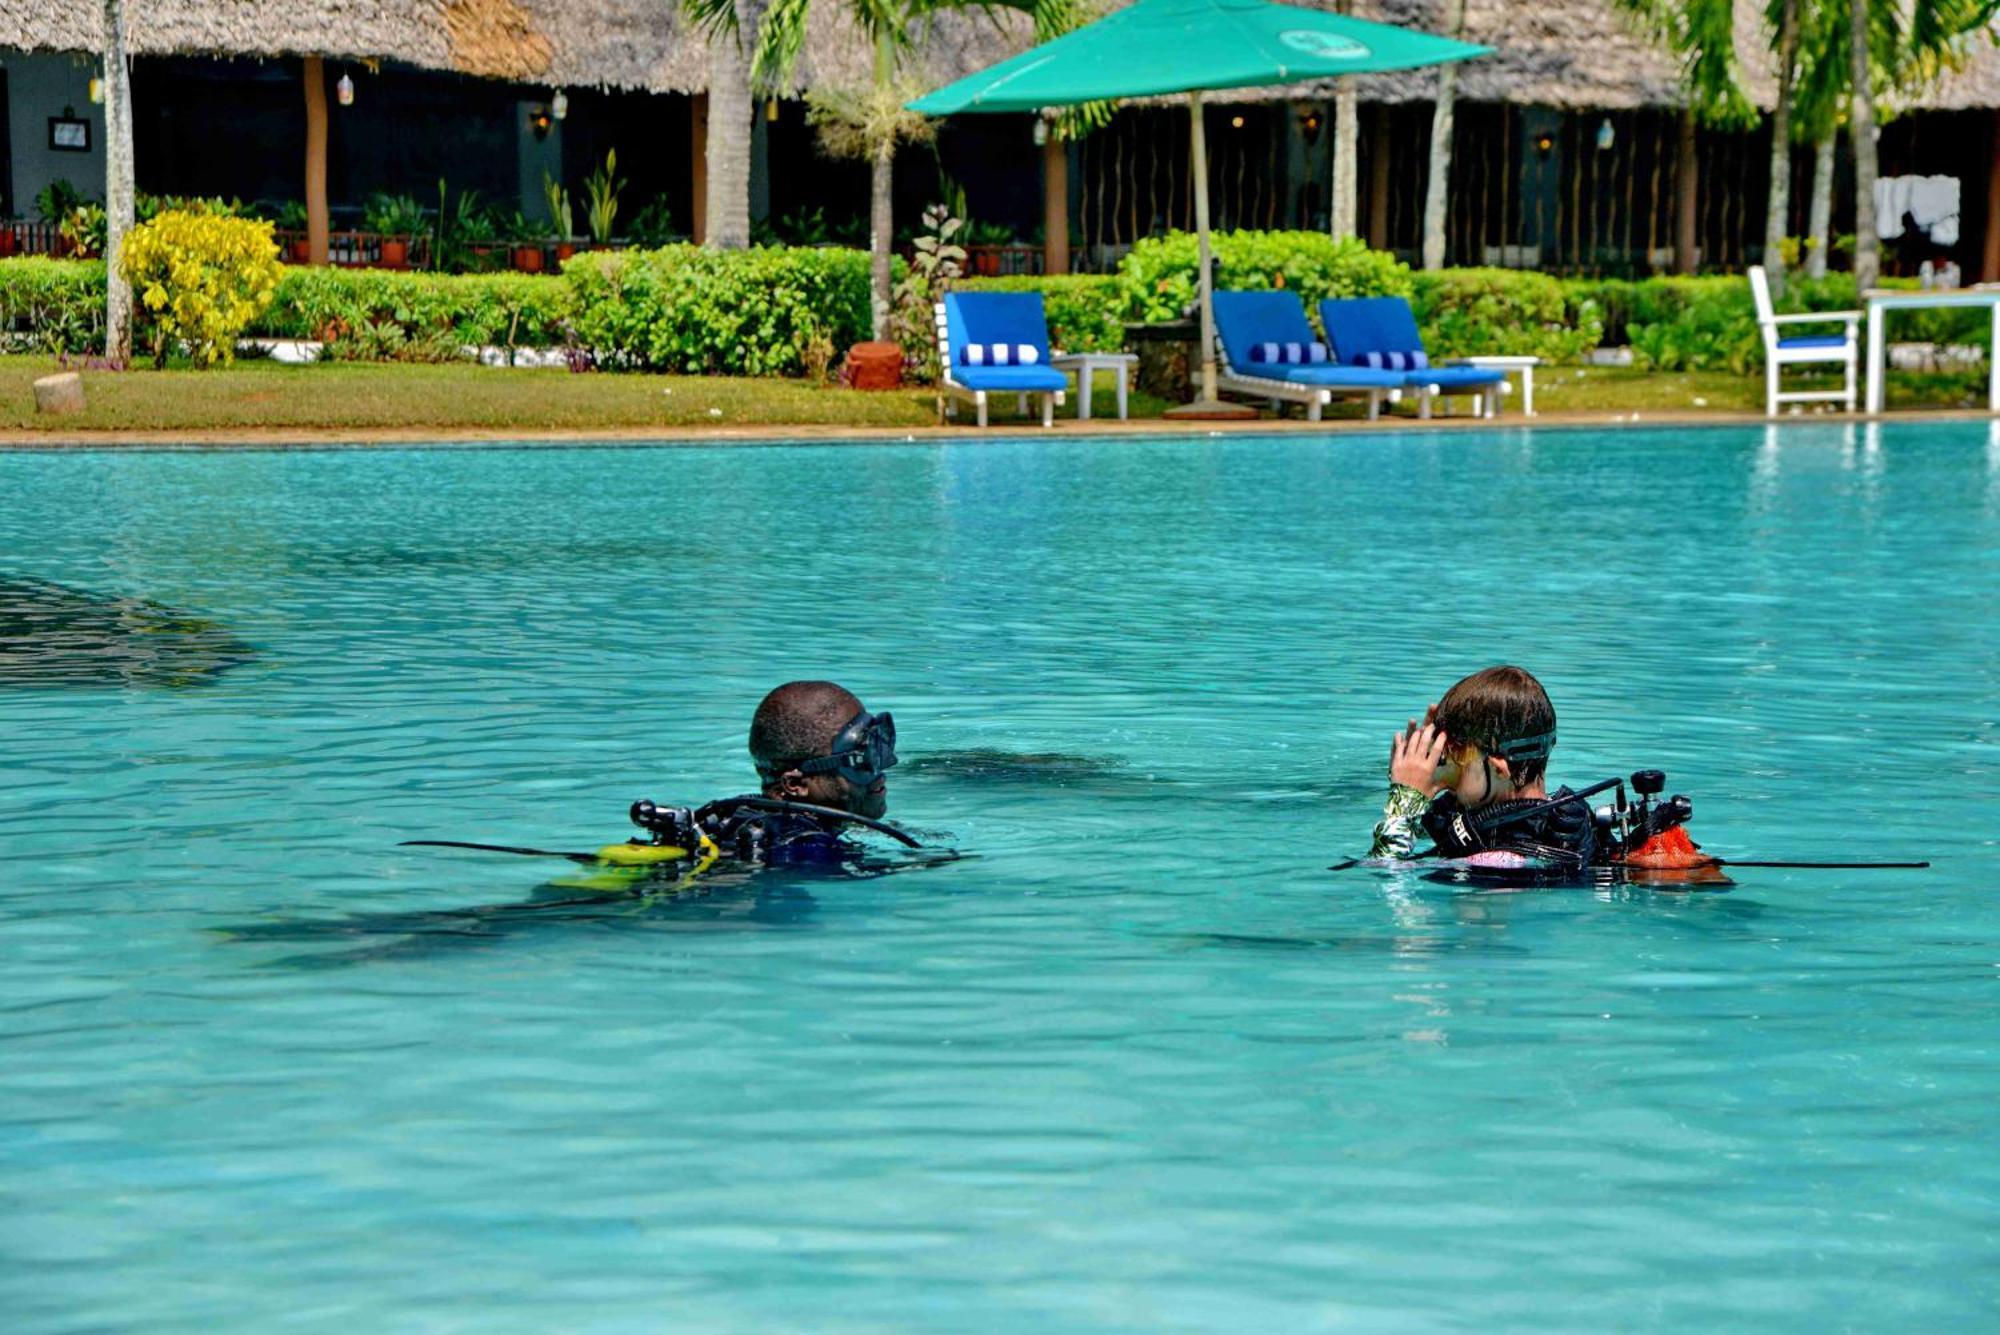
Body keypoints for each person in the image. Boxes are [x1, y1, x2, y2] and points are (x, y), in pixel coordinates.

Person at [1367, 665, 1595, 869]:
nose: (1445, 761)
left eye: (1455, 751)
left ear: (1498, 768)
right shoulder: (1566, 823)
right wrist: (1420, 788)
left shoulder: (1498, 862)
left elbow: (1386, 880)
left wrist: (1403, 803)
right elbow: (1443, 826)